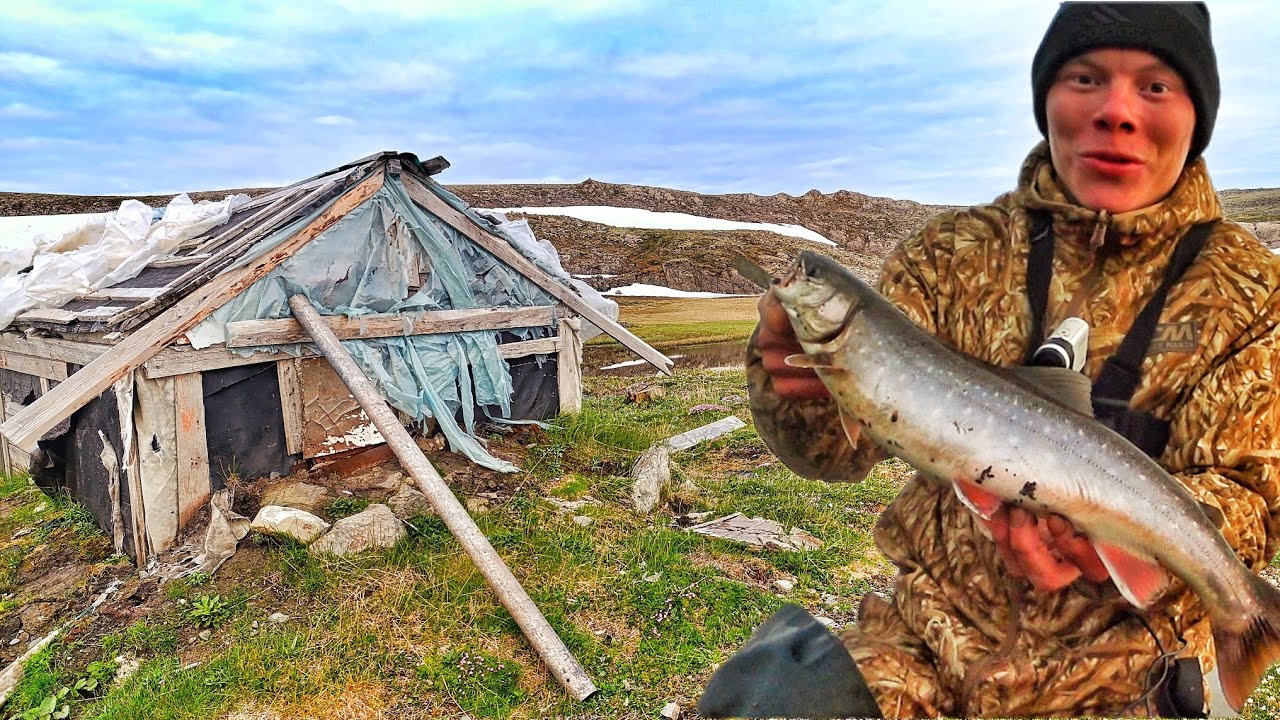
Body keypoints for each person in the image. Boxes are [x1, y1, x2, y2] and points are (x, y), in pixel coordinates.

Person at [699, 2, 1280, 718]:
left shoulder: (1255, 292)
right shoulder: (951, 254)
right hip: (927, 646)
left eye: (1155, 86)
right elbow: (831, 456)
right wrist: (798, 385)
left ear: (1199, 113)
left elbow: (1255, 494)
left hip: (1140, 669)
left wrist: (1117, 544)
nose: (1117, 112)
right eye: (1086, 77)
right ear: (1047, 96)